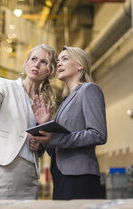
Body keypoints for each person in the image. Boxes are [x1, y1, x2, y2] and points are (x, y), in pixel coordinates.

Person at [0, 27, 57, 200]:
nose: (36, 64)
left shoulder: (45, 103)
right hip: (2, 167)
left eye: (43, 62)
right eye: (33, 59)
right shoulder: (6, 86)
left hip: (29, 174)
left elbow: (43, 139)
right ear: (26, 63)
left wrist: (40, 146)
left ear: (49, 71)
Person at [30, 46, 107, 200]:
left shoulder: (89, 90)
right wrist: (44, 138)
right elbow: (59, 148)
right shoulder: (65, 102)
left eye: (65, 59)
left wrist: (54, 138)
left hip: (80, 177)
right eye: (58, 61)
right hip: (61, 176)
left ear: (80, 65)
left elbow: (98, 135)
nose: (59, 64)